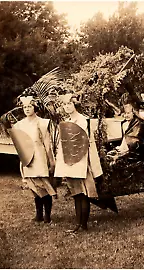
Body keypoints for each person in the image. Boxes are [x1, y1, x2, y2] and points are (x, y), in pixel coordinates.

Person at [54, 93, 103, 232]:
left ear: (75, 105)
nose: (67, 107)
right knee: (76, 193)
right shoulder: (66, 122)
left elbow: (88, 143)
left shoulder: (83, 121)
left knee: (84, 193)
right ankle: (78, 224)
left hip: (82, 160)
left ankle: (83, 224)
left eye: (69, 104)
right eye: (65, 104)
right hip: (70, 161)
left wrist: (92, 165)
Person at [12, 95, 56, 223]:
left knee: (44, 185)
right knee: (33, 186)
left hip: (40, 156)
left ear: (35, 107)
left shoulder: (42, 123)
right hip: (28, 158)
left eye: (29, 106)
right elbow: (19, 144)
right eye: (25, 107)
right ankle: (39, 215)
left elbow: (47, 144)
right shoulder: (19, 125)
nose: (27, 109)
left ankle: (47, 215)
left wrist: (51, 160)